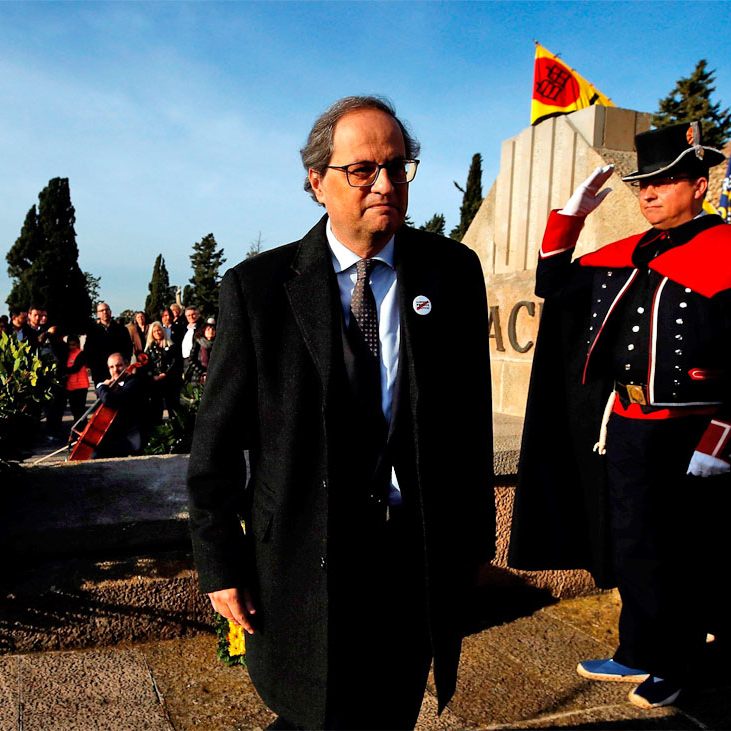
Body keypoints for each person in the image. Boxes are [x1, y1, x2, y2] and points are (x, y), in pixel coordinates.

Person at [187, 95, 493, 729]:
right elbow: (215, 446)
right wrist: (220, 564)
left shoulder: (452, 271)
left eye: (399, 165)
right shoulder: (258, 290)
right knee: (308, 710)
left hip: (411, 549)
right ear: (317, 181)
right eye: (364, 170)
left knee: (391, 707)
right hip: (304, 550)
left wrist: (471, 544)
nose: (386, 183)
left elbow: (469, 421)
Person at [509, 122, 731, 709]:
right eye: (642, 183)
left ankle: (677, 662)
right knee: (634, 542)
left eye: (664, 182)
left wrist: (722, 441)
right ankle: (638, 649)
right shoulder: (629, 252)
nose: (647, 193)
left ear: (699, 184)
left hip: (693, 430)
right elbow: (553, 284)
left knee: (685, 551)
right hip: (626, 424)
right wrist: (571, 217)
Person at [92, 352, 150, 458]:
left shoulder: (134, 382)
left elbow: (110, 401)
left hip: (131, 437)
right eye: (111, 367)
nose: (115, 370)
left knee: (97, 453)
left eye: (119, 365)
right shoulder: (116, 386)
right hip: (118, 435)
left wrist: (101, 386)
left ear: (127, 365)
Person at [87, 302, 132, 384]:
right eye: (102, 310)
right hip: (100, 372)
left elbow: (128, 348)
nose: (105, 312)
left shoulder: (122, 330)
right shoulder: (92, 332)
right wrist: (92, 366)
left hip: (119, 371)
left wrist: (125, 364)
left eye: (107, 310)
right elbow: (89, 351)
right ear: (98, 314)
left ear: (110, 312)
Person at [144, 323, 182, 422]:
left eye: (159, 330)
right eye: (154, 331)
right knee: (156, 406)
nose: (157, 333)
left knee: (172, 405)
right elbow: (147, 365)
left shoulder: (172, 346)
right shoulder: (149, 349)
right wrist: (153, 376)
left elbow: (175, 362)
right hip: (155, 381)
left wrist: (165, 373)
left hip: (170, 379)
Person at [185, 317, 216, 385]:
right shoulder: (198, 343)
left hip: (214, 376)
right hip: (198, 377)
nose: (211, 331)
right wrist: (202, 372)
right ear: (204, 331)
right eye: (208, 329)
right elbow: (191, 359)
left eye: (213, 329)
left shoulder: (217, 344)